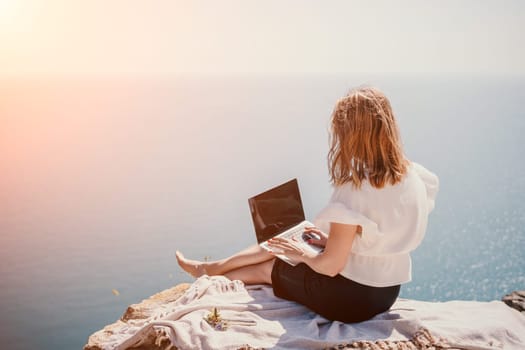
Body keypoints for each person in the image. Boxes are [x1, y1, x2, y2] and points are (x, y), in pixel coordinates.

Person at [176, 86, 439, 323]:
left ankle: (210, 275)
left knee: (272, 266)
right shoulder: (413, 175)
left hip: (351, 301)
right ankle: (213, 267)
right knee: (298, 239)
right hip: (387, 293)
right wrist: (329, 241)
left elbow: (330, 267)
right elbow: (382, 232)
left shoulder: (355, 189)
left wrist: (302, 255)